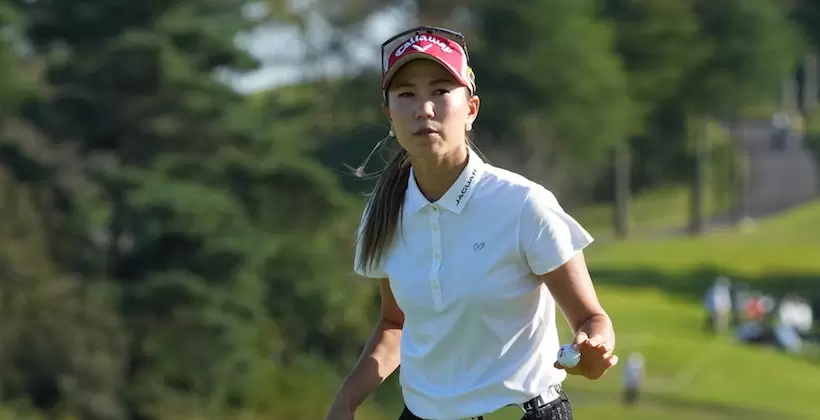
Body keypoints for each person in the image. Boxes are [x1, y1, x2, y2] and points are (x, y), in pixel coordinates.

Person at [326, 26, 617, 420]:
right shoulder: (383, 213)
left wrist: (592, 349)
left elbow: (590, 318)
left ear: (471, 109)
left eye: (441, 91)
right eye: (406, 94)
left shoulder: (523, 205)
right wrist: (345, 402)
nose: (423, 108)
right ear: (389, 113)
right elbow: (395, 324)